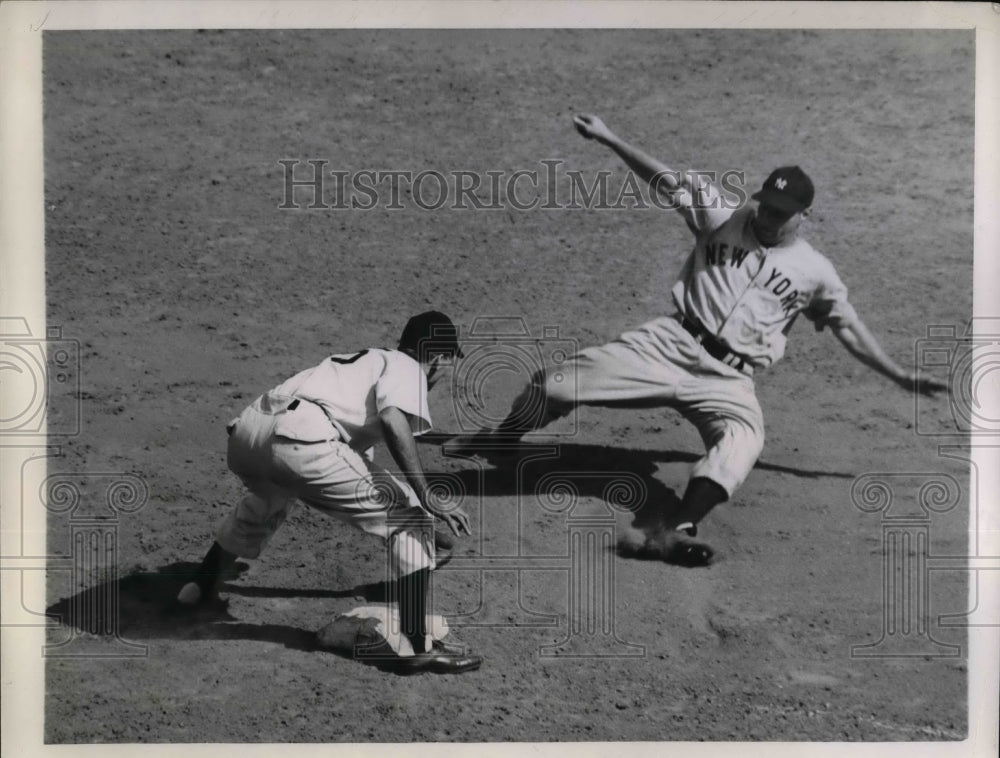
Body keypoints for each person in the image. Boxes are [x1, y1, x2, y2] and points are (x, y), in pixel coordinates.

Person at [484, 114, 947, 567]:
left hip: (728, 380)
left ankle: (677, 529)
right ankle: (503, 439)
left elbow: (847, 326)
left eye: (782, 215)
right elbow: (664, 178)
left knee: (745, 440)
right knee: (556, 385)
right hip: (667, 345)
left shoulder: (815, 272)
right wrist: (609, 139)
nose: (768, 218)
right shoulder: (723, 216)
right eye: (766, 206)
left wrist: (898, 374)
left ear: (805, 215)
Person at [177, 310, 482, 674]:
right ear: (439, 357)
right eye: (447, 362)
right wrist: (426, 495)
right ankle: (419, 646)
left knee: (269, 498)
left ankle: (197, 587)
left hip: (247, 433)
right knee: (409, 517)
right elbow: (392, 420)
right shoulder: (407, 367)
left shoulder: (357, 366)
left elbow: (354, 469)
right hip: (302, 437)